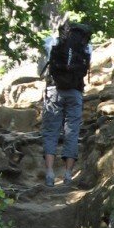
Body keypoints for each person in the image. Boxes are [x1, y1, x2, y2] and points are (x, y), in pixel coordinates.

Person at [38, 20, 92, 188]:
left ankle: (50, 173)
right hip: (75, 92)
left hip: (55, 90)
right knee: (72, 132)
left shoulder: (53, 43)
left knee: (50, 131)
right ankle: (68, 175)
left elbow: (43, 67)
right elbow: (86, 69)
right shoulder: (86, 48)